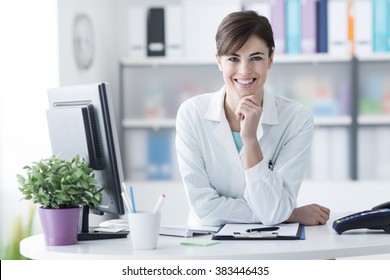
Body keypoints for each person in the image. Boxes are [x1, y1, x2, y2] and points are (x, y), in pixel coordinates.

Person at [175, 10, 330, 227]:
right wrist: (288, 214)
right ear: (218, 61)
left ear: (271, 59)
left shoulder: (297, 119)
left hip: (272, 243)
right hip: (208, 242)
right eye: (233, 58)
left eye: (256, 58)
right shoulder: (191, 114)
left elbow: (274, 212)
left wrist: (250, 140)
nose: (245, 70)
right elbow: (205, 209)